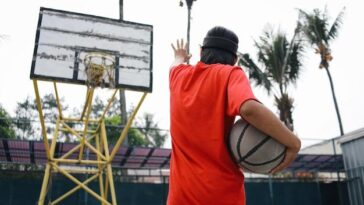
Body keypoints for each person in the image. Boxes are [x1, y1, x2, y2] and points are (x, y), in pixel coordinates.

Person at [168, 26, 301, 205]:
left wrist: (180, 56)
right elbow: (248, 108)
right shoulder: (230, 74)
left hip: (180, 199)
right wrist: (293, 143)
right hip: (223, 196)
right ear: (235, 59)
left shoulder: (178, 76)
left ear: (201, 51)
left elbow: (175, 64)